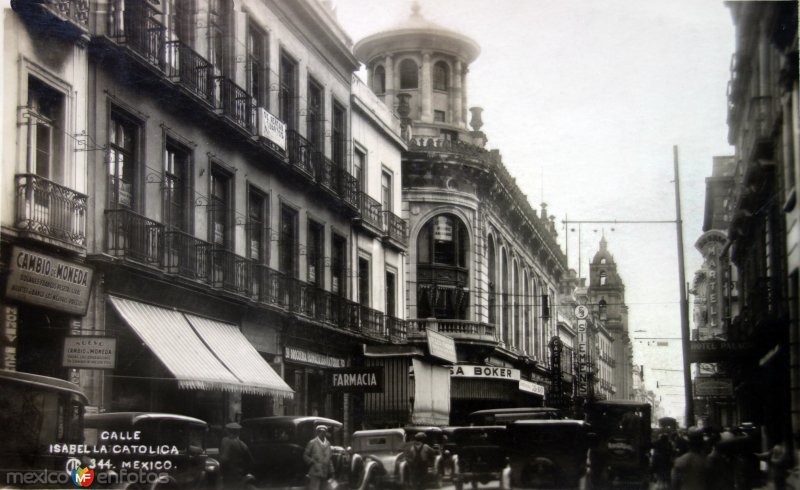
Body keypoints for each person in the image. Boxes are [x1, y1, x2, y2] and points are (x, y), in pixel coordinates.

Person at [220, 422, 253, 490]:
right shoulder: (243, 444)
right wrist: (244, 472)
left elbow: (224, 459)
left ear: (228, 431)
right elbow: (250, 461)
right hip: (238, 475)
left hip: (227, 475)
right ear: (238, 432)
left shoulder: (225, 441)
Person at [303, 425, 335, 490]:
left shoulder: (328, 444)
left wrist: (332, 471)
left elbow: (329, 459)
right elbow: (305, 456)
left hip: (325, 472)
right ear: (317, 433)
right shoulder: (312, 442)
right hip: (315, 472)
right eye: (320, 432)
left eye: (324, 432)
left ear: (326, 433)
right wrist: (312, 462)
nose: (322, 433)